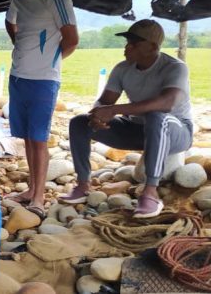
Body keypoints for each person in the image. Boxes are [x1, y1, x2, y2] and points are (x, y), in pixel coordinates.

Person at [60, 20, 192, 218]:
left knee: (157, 117)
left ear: (153, 47)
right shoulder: (123, 69)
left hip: (176, 133)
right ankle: (82, 185)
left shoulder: (174, 67)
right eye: (127, 42)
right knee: (79, 123)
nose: (127, 47)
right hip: (138, 131)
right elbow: (104, 101)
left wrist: (115, 110)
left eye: (134, 44)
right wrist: (97, 115)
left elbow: (167, 102)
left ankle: (150, 191)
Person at [5, 0, 78, 218]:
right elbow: (9, 22)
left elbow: (71, 39)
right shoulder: (17, 0)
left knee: (39, 138)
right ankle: (31, 188)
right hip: (18, 76)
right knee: (26, 136)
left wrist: (49, 61)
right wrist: (24, 48)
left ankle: (38, 197)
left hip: (43, 80)